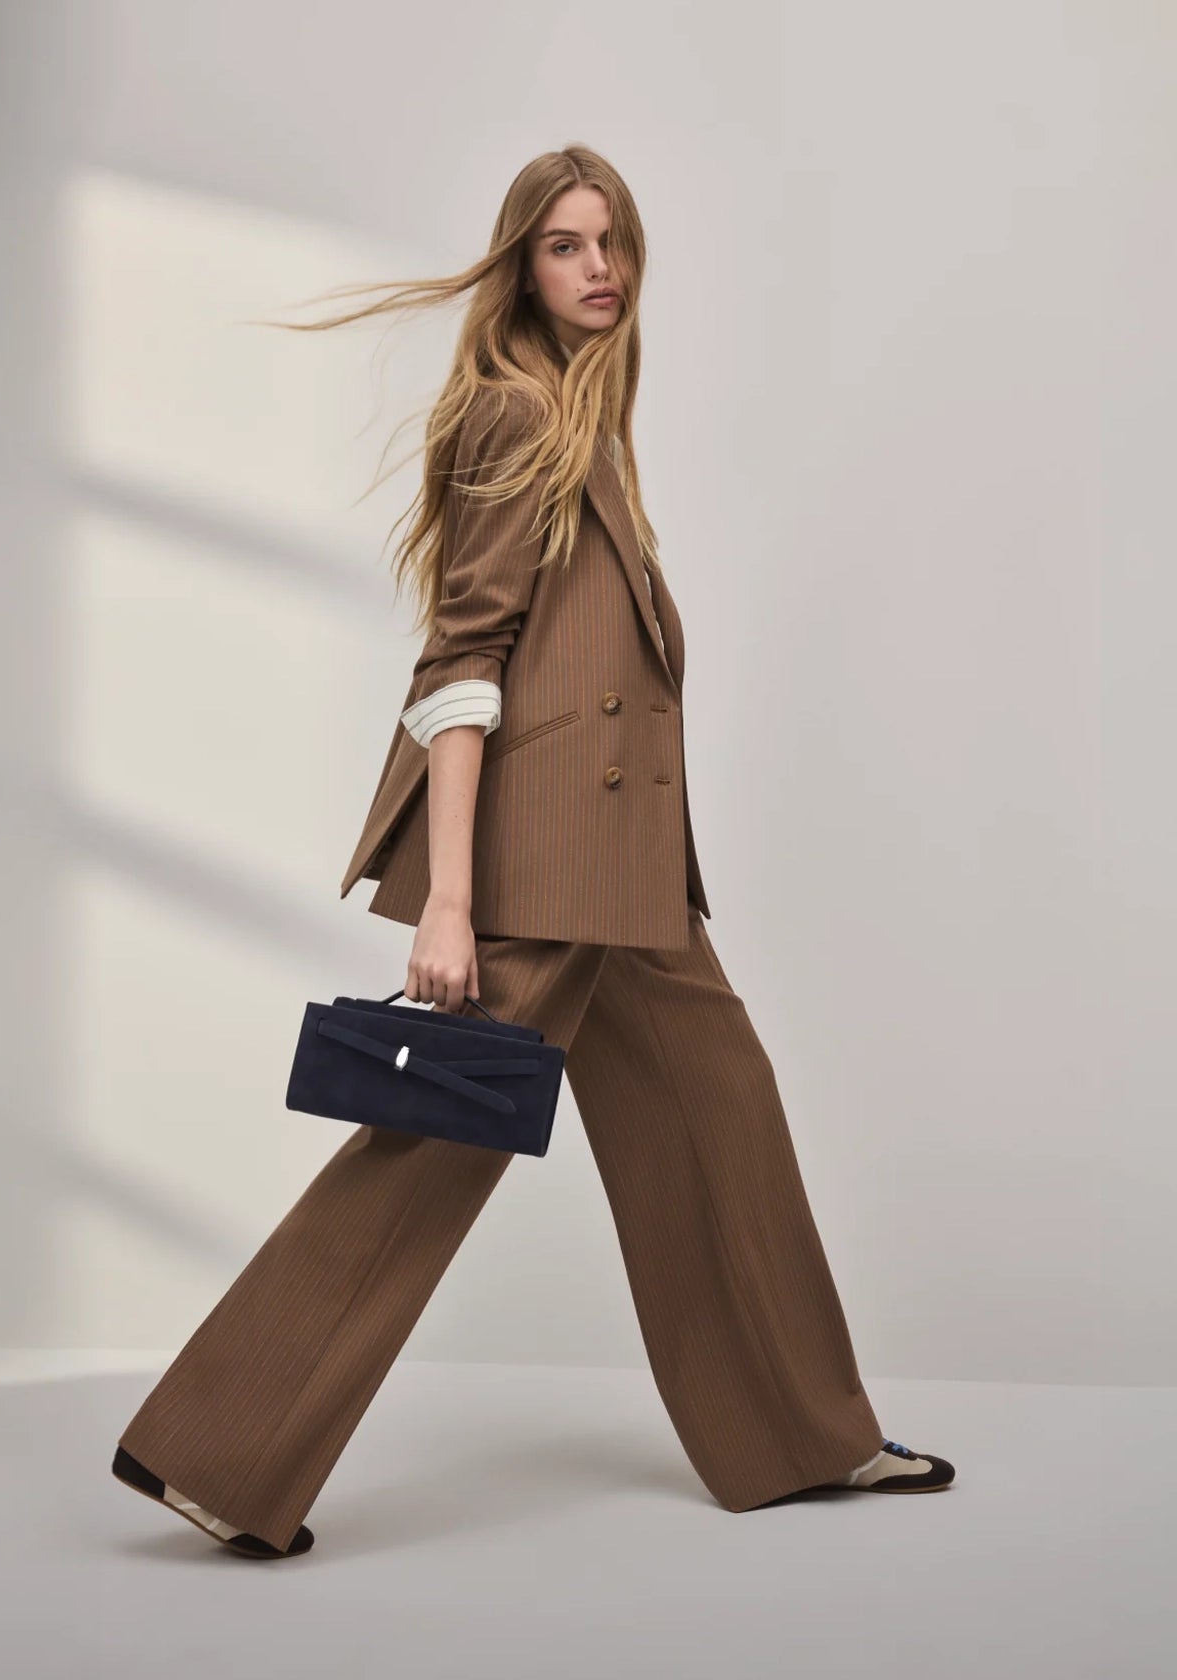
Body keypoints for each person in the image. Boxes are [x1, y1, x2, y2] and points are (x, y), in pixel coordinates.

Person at [111, 145, 955, 1560]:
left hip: (628, 873)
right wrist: (449, 901)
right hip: (550, 862)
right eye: (566, 245)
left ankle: (803, 1436)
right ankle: (221, 1450)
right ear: (521, 267)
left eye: (613, 240)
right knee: (432, 1147)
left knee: (719, 1115)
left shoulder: (581, 422)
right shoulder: (515, 418)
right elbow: (462, 666)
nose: (599, 267)